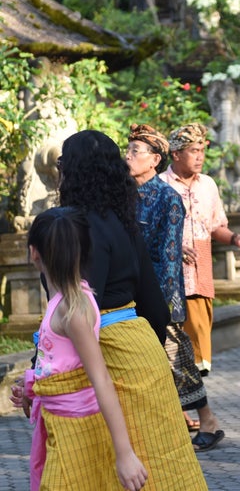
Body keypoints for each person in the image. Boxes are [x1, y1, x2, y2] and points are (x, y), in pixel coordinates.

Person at [56, 130, 208, 489]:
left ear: (75, 170)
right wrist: (146, 346)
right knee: (160, 462)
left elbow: (82, 306)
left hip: (100, 352)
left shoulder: (76, 227)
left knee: (100, 465)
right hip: (141, 350)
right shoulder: (124, 222)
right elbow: (153, 305)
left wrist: (40, 367)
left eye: (63, 162)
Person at [9, 207, 147, 491]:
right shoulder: (63, 301)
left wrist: (125, 454)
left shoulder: (73, 310)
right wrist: (32, 389)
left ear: (34, 253)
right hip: (60, 423)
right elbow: (62, 363)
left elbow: (101, 379)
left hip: (77, 427)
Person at [126, 123, 225, 452]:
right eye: (127, 150)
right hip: (131, 296)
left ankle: (208, 419)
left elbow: (168, 258)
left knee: (179, 362)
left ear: (154, 159)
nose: (128, 156)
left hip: (159, 298)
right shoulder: (126, 196)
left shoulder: (166, 198)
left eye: (134, 152)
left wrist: (163, 308)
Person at [159, 123, 240, 378]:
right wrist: (173, 247)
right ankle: (185, 411)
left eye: (202, 150)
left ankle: (193, 406)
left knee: (200, 358)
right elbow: (145, 234)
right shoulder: (159, 186)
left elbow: (215, 226)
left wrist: (236, 239)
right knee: (169, 351)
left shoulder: (208, 185)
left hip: (200, 279)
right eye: (193, 150)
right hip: (168, 280)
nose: (200, 156)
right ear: (176, 154)